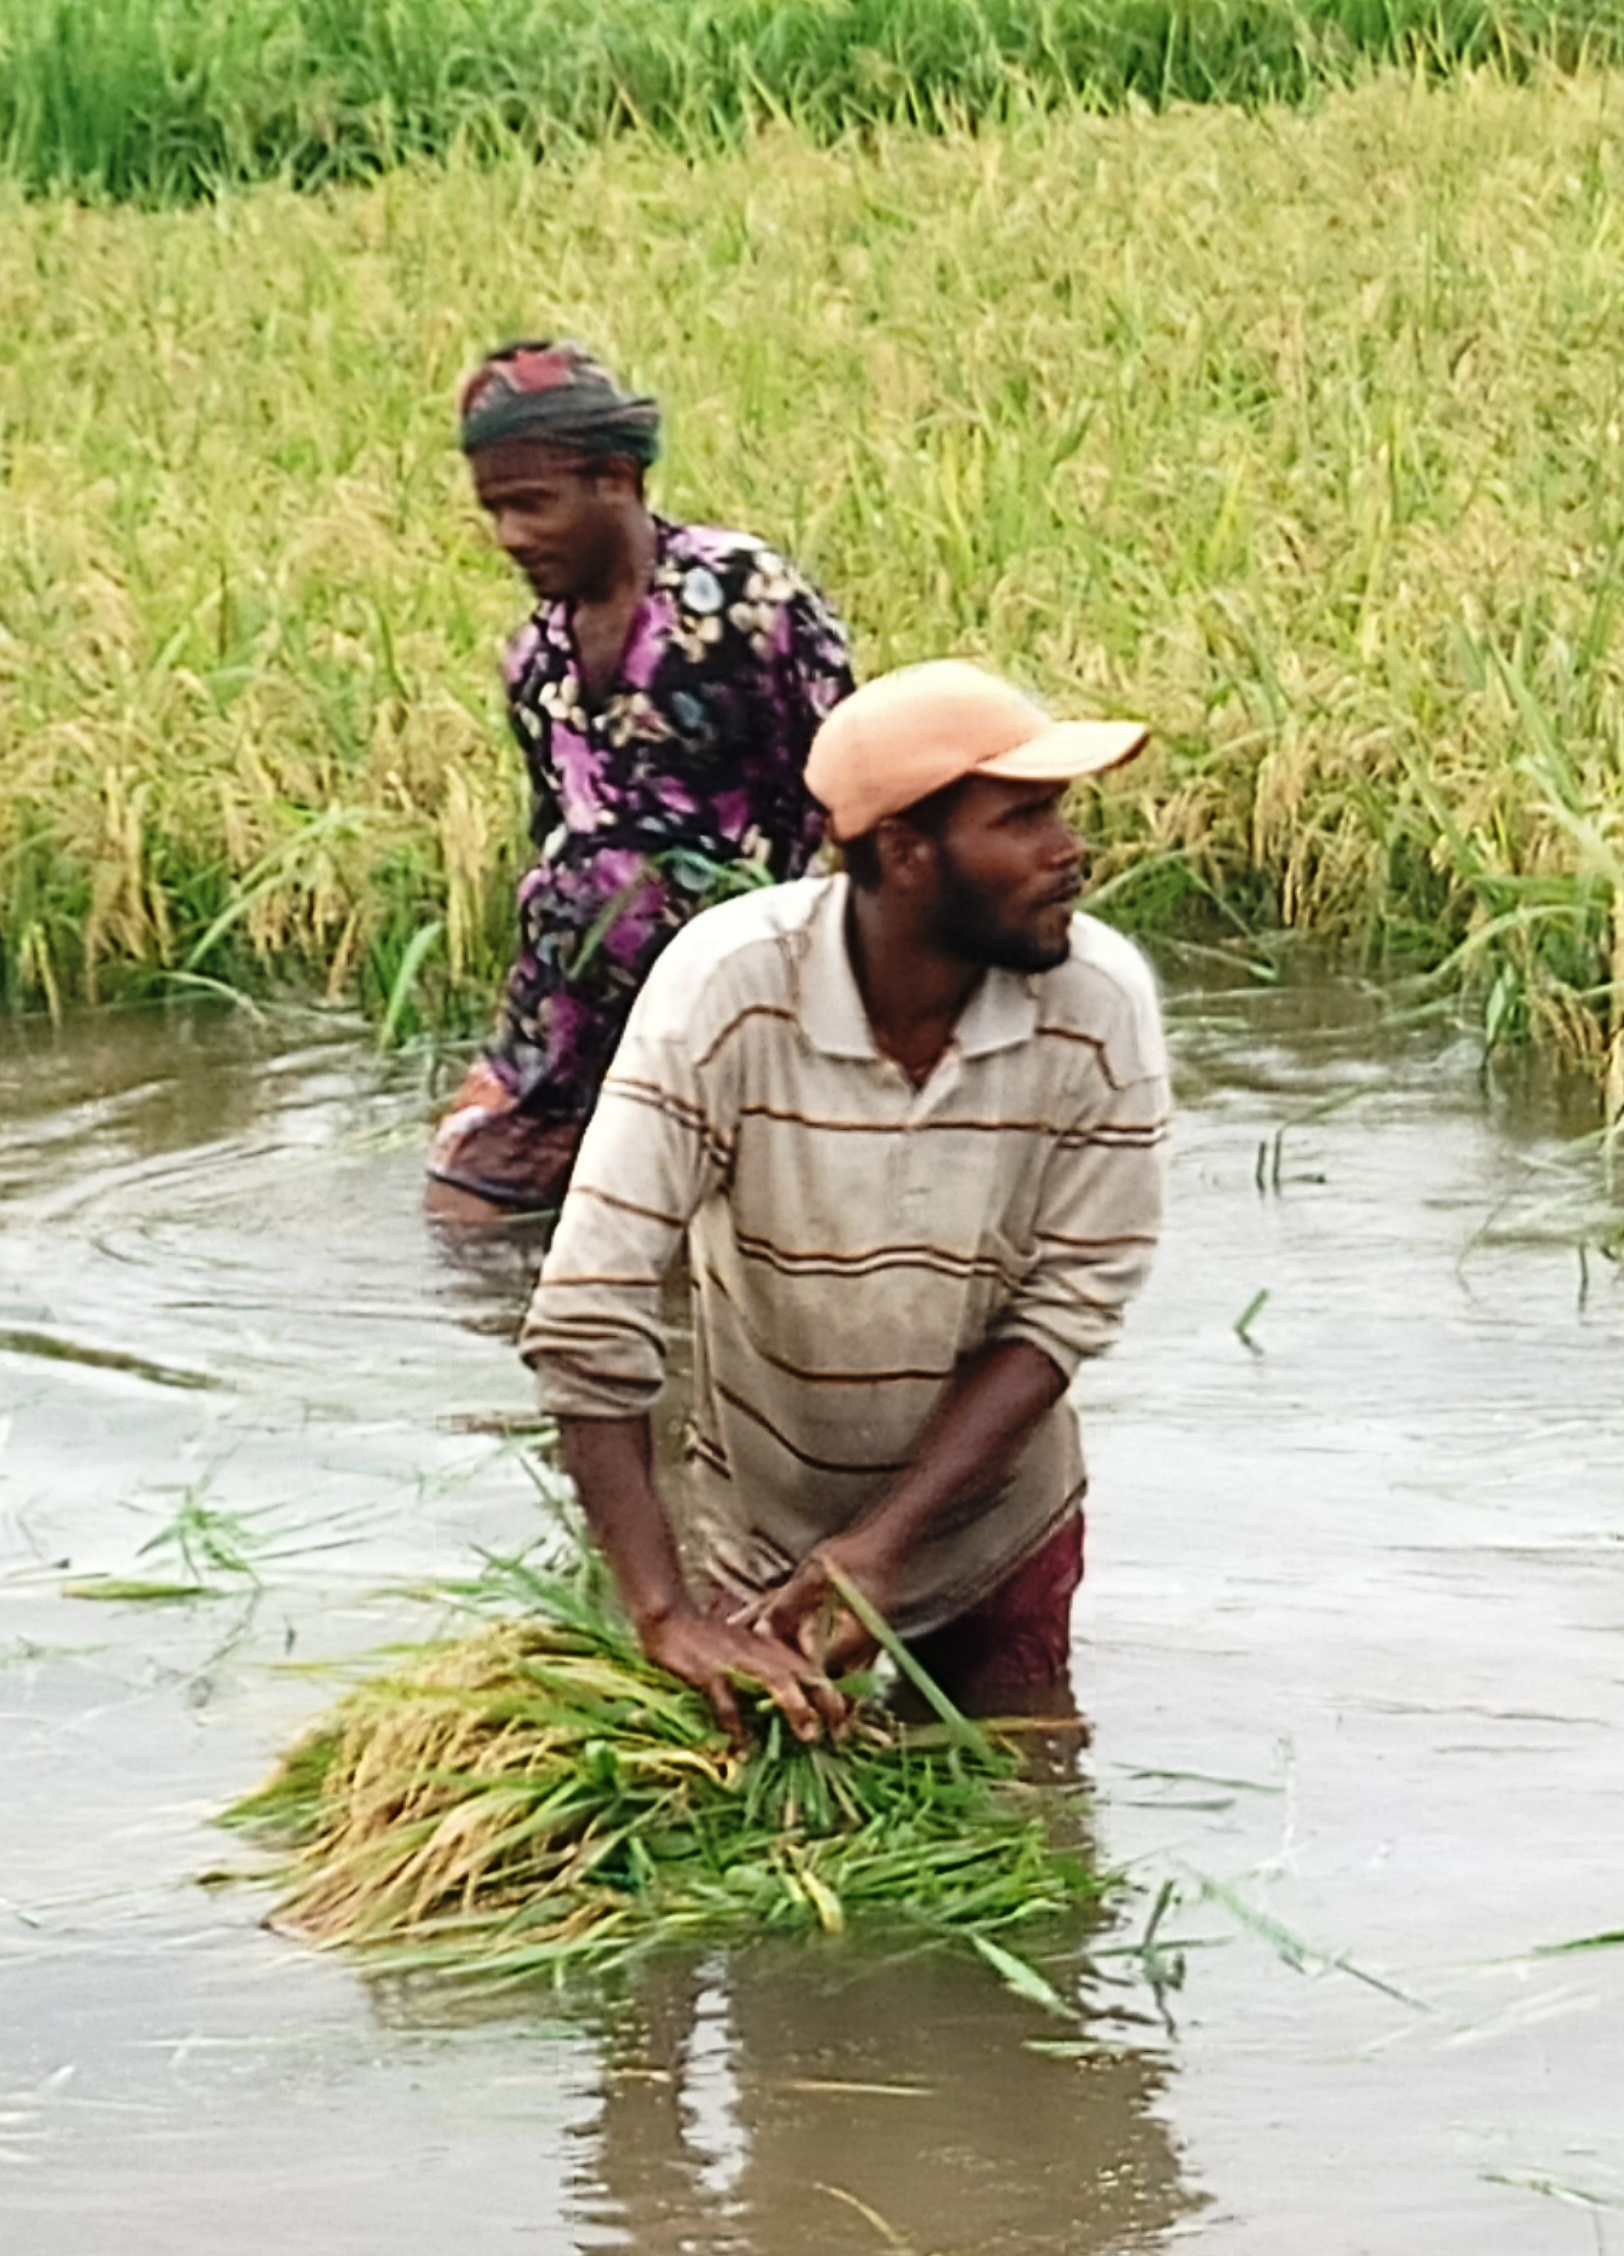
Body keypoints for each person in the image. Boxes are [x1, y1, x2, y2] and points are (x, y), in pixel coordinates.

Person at [518, 660, 1167, 1733]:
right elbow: (589, 1311)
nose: (1069, 852)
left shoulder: (1095, 1001)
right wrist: (666, 1612)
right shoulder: (727, 991)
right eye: (1023, 818)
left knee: (1027, 1825)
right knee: (757, 1841)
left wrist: (883, 1544)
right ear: (908, 854)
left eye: (1060, 813)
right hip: (759, 1529)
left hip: (992, 1526)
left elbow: (1069, 1305)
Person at [429, 340, 856, 1223]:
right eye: (493, 511)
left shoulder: (740, 596)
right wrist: (512, 1059)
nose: (510, 535)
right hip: (575, 1040)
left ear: (616, 479)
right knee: (464, 1218)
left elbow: (853, 785)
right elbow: (560, 852)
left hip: (752, 1009)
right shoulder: (536, 662)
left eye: (532, 504)